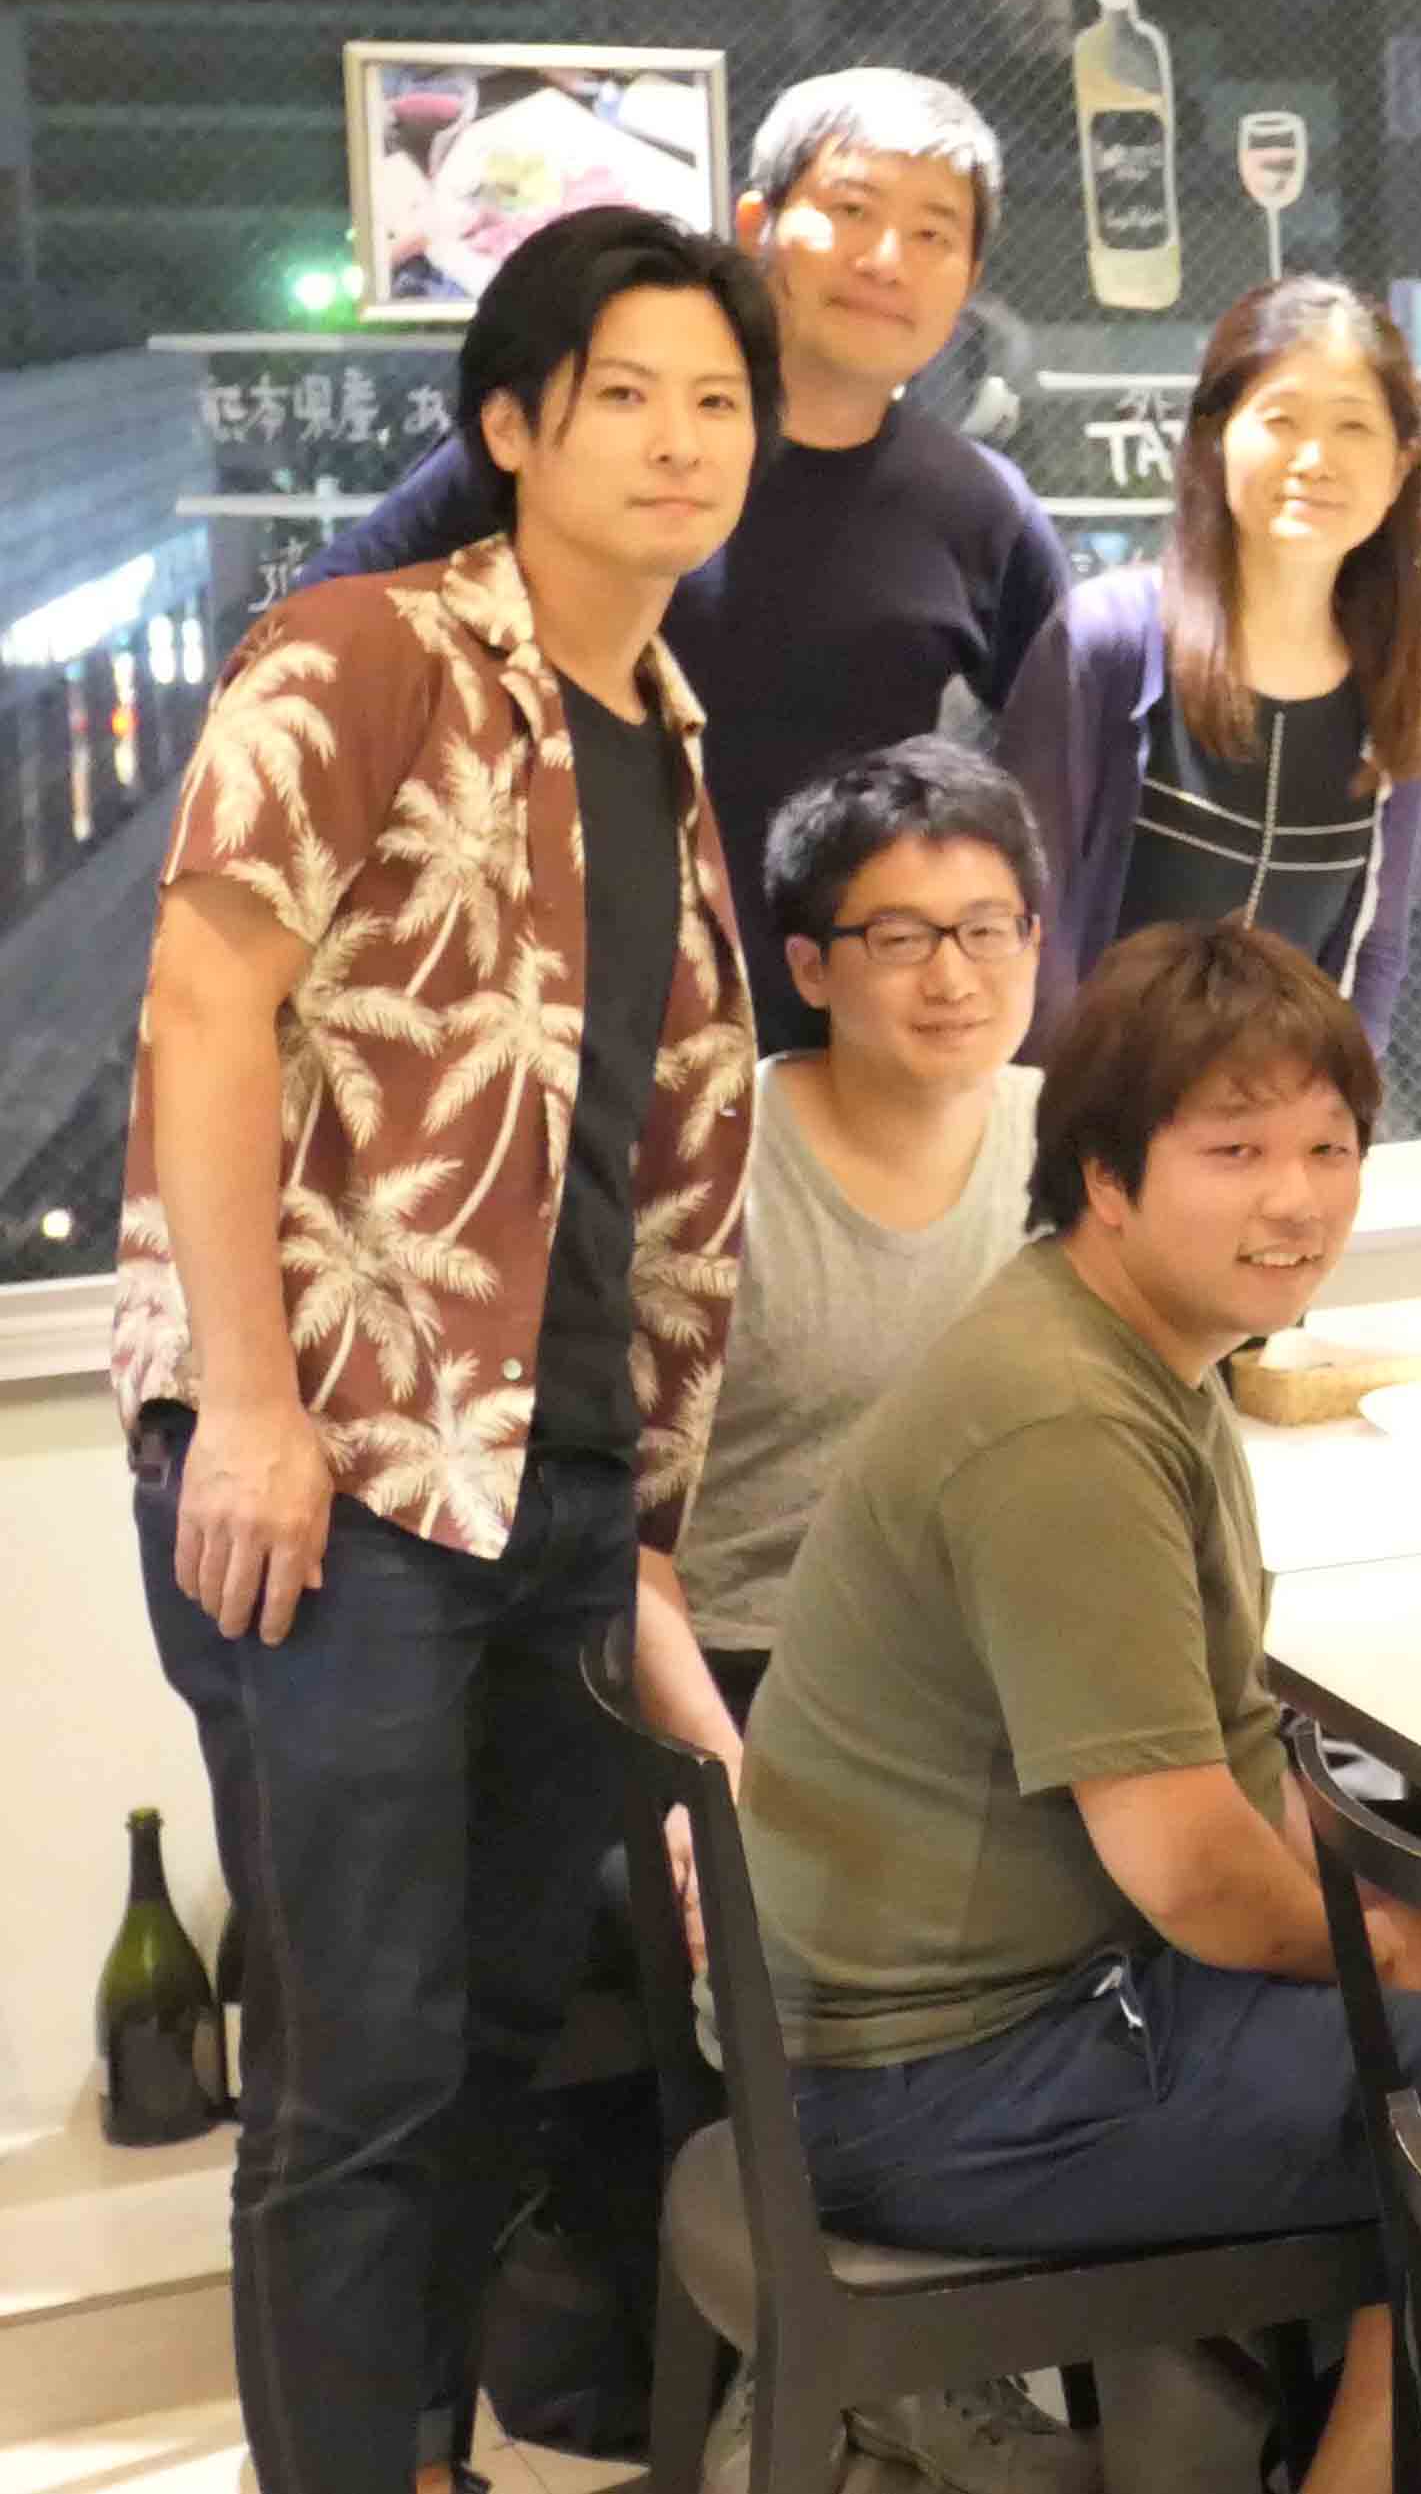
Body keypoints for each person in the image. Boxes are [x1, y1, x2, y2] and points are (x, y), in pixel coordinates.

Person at [121, 208, 772, 2494]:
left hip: (564, 1482)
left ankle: (417, 2455)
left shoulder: (664, 734)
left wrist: (647, 1526)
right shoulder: (363, 651)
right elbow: (204, 1003)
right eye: (628, 395)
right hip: (350, 1463)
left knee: (502, 2037)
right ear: (511, 424)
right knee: (356, 2063)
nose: (682, 440)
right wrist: (249, 1405)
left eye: (720, 401)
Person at [746, 923, 1421, 2494]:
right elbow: (1194, 1872)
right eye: (1234, 1151)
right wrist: (1401, 1951)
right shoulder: (1065, 1420)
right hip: (925, 2080)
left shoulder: (1137, 1345)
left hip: (961, 2013)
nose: (1296, 1198)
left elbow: (1233, 1758)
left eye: (1328, 1148)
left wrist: (1418, 1935)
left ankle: (1337, 2441)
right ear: (1106, 1175)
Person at [307, 68, 1068, 1055]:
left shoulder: (981, 509)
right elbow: (323, 635)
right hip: (529, 1031)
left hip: (823, 1057)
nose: (887, 260)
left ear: (969, 277)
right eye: (851, 210)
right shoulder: (594, 425)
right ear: (758, 223)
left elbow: (1063, 775)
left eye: (934, 234)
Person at [677, 736, 1052, 1715]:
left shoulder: (1081, 1146)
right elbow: (610, 1527)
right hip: (754, 1668)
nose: (953, 979)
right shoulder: (709, 1171)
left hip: (1008, 1663)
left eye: (986, 930)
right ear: (810, 968)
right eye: (899, 939)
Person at [994, 278, 1421, 1052]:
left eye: (1353, 425)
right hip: (1095, 1105)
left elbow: (1376, 948)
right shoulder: (1108, 640)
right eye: (1281, 420)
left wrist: (1340, 1106)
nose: (1315, 459)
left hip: (1283, 1112)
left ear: (1401, 462)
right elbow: (1019, 920)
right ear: (1214, 435)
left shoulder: (1399, 683)